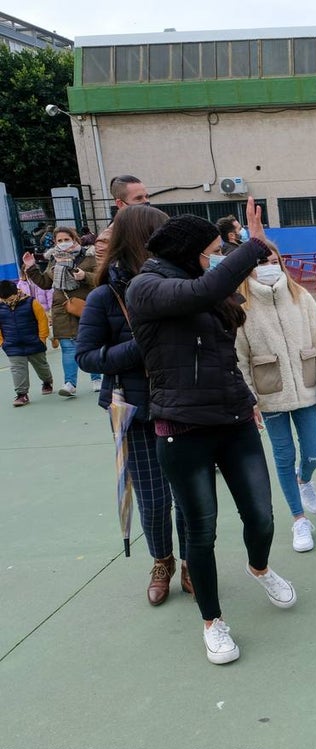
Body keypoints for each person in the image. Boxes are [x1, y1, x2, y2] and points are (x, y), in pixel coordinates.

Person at [126, 200, 297, 665]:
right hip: (181, 427)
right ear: (187, 251)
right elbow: (200, 292)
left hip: (234, 418)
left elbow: (224, 314)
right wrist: (252, 246)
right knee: (201, 531)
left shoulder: (205, 285)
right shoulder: (146, 287)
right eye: (212, 250)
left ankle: (259, 567)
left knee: (260, 514)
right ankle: (213, 621)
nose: (217, 257)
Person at [75, 205, 193, 606]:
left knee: (191, 494)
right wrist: (139, 347)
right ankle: (162, 561)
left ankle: (193, 560)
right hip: (135, 412)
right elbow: (87, 357)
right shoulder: (104, 296)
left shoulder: (184, 284)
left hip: (186, 406)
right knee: (154, 497)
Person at [236, 242, 316, 553]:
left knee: (313, 452)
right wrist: (249, 399)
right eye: (262, 262)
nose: (270, 266)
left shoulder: (300, 296)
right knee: (283, 457)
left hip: (307, 388)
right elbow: (239, 357)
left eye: (274, 260)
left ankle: (305, 478)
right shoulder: (241, 305)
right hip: (269, 394)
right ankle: (299, 519)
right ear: (250, 267)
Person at [21, 227, 102, 396]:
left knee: (90, 343)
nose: (63, 243)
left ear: (75, 239)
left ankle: (96, 378)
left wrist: (84, 276)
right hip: (62, 308)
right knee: (67, 347)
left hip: (85, 306)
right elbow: (44, 283)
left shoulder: (89, 256)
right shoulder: (54, 260)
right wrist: (31, 268)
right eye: (59, 240)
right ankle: (70, 384)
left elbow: (99, 279)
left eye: (66, 239)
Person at [0, 279, 52, 407]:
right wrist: (2, 343)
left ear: (16, 292)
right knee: (17, 370)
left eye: (10, 298)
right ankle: (21, 394)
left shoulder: (31, 302)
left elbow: (42, 320)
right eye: (4, 299)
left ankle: (47, 381)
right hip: (12, 345)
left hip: (34, 342)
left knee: (41, 366)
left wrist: (42, 338)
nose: (8, 301)